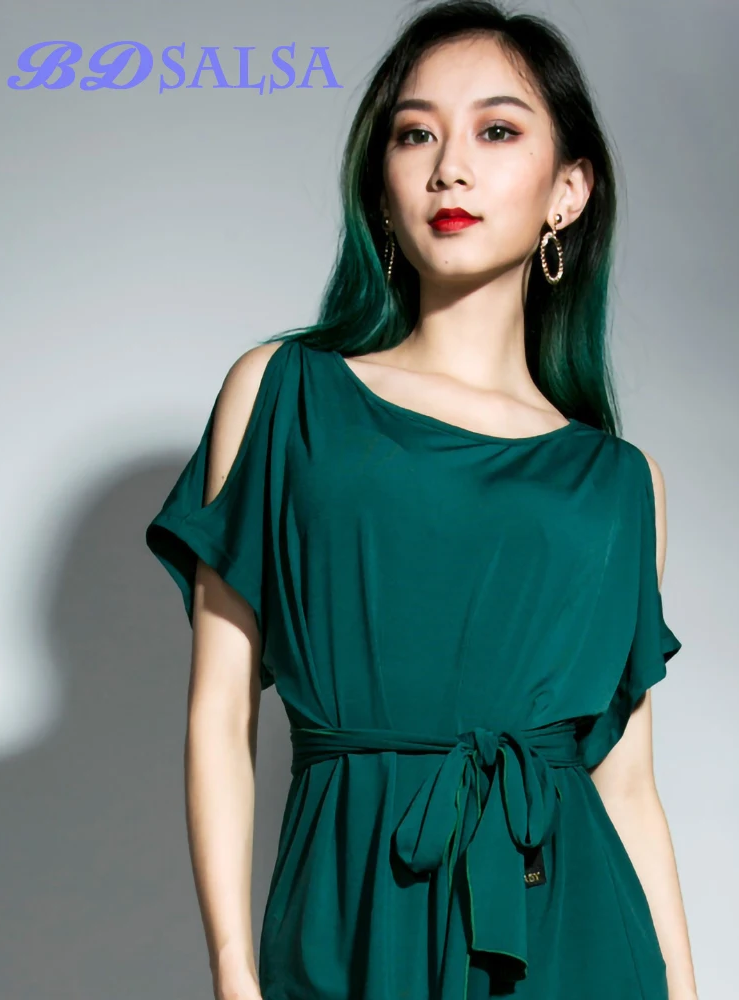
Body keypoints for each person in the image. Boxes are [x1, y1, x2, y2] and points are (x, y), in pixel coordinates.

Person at [145, 2, 697, 998]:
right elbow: (219, 713)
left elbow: (626, 788)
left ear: (568, 191)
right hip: (354, 914)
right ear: (381, 186)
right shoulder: (283, 398)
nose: (450, 168)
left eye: (497, 131)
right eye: (415, 134)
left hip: (568, 936)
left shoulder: (620, 483)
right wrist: (233, 968)